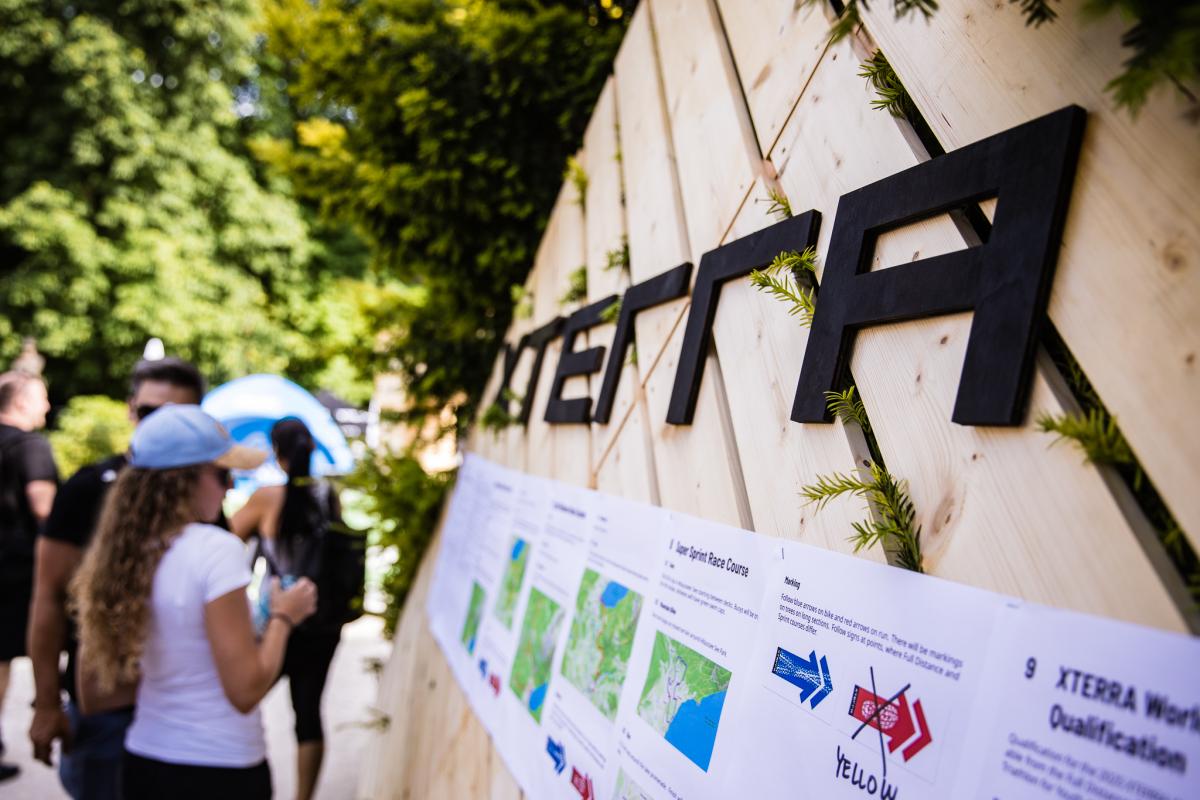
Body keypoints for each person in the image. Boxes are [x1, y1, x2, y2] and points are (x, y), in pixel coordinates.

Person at [70, 405, 317, 799]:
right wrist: (284, 617)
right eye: (222, 474)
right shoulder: (214, 549)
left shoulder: (120, 556)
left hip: (145, 762)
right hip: (221, 768)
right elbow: (245, 691)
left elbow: (96, 694)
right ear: (183, 480)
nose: (231, 487)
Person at [28, 357, 206, 799]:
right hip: (107, 711)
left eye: (177, 416)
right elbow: (48, 597)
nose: (159, 425)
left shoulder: (204, 495)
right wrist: (46, 702)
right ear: (131, 410)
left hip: (184, 713)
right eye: (149, 412)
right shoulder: (88, 489)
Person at [231, 418, 345, 800]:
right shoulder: (328, 495)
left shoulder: (266, 497)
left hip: (278, 620)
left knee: (241, 699)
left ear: (276, 451)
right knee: (308, 713)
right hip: (322, 621)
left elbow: (225, 540)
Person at [0, 370, 57, 782]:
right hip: (13, 574)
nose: (48, 406)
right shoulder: (30, 446)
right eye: (41, 398)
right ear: (20, 402)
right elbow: (44, 508)